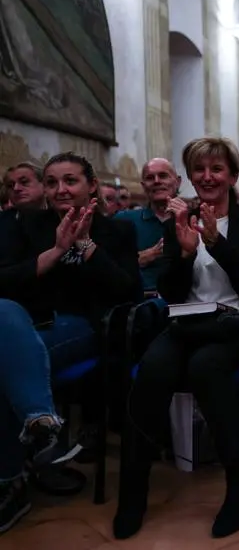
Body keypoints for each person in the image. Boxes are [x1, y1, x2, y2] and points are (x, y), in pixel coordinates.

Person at [114, 137, 239, 540]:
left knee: (207, 367)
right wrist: (185, 255)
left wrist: (216, 243)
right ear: (190, 175)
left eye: (217, 169)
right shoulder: (179, 219)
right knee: (152, 369)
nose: (207, 177)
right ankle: (133, 493)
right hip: (189, 321)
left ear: (232, 176)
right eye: (199, 169)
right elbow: (170, 291)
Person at [0, 152, 141, 533]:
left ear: (91, 185)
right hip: (19, 325)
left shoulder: (118, 231)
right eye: (51, 182)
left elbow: (127, 291)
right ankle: (39, 425)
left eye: (70, 180)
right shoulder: (27, 226)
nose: (60, 189)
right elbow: (6, 281)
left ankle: (9, 479)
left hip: (82, 328)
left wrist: (87, 246)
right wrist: (58, 250)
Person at [116, 158, 181, 292]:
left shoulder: (193, 220)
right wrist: (140, 258)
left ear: (178, 181)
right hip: (139, 303)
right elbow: (107, 267)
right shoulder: (123, 221)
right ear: (144, 185)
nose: (157, 181)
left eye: (163, 176)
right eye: (150, 178)